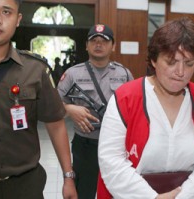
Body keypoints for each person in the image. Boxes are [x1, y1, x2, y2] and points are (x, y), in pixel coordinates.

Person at [0, 0, 77, 199]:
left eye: (6, 12)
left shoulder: (35, 69)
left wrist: (68, 176)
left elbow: (55, 124)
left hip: (24, 188)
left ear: (18, 19)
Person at [97, 17, 194, 199]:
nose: (180, 72)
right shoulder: (125, 98)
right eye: (171, 62)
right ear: (154, 60)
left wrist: (183, 196)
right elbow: (111, 160)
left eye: (189, 64)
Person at [57, 24, 134, 199]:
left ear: (113, 46)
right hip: (85, 145)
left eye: (104, 41)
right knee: (84, 191)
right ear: (86, 45)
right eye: (94, 41)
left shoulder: (124, 74)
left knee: (118, 190)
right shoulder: (72, 75)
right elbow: (52, 107)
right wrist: (69, 108)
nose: (98, 44)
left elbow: (135, 106)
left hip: (117, 145)